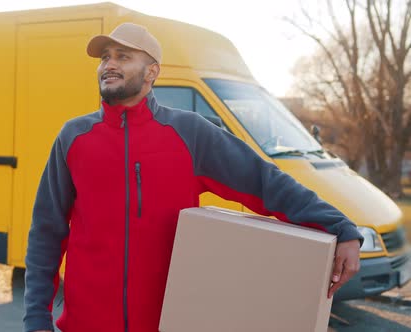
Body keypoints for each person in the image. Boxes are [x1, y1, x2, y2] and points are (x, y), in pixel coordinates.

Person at [23, 23, 363, 332]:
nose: (108, 65)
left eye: (122, 57)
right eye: (105, 58)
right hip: (86, 326)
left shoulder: (189, 133)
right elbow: (47, 231)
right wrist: (37, 317)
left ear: (152, 71)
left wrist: (340, 227)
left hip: (168, 322)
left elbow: (265, 183)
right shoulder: (74, 137)